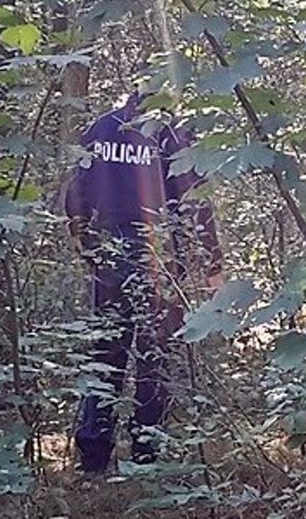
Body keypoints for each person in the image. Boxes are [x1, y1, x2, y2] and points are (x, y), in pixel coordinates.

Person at [63, 91, 222, 474]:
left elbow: (76, 193)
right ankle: (146, 453)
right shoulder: (172, 134)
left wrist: (86, 244)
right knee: (155, 356)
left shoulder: (102, 128)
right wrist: (212, 263)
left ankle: (93, 457)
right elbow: (195, 199)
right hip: (160, 260)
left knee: (106, 353)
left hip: (110, 254)